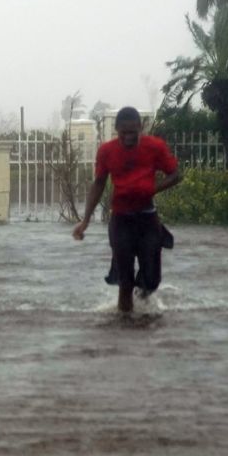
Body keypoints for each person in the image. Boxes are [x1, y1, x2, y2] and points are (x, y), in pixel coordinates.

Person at [72, 107, 181, 312]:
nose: (129, 137)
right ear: (117, 131)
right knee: (125, 281)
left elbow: (175, 175)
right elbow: (99, 184)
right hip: (121, 221)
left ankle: (142, 303)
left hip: (148, 220)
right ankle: (124, 326)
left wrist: (152, 189)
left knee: (152, 280)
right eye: (124, 133)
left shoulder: (155, 147)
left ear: (141, 128)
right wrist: (85, 220)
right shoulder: (107, 151)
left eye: (133, 132)